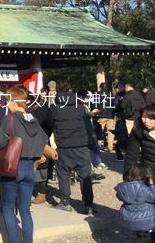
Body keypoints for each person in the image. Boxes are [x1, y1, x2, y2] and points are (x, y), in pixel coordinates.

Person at [0, 85, 48, 243]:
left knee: (8, 209)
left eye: (8, 100)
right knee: (25, 211)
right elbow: (43, 141)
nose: (6, 103)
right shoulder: (34, 121)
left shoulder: (9, 119)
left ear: (14, 101)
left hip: (12, 168)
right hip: (29, 168)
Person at [48, 80, 96, 214]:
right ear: (71, 91)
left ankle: (65, 202)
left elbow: (50, 125)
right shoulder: (80, 106)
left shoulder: (54, 108)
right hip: (81, 145)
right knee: (85, 176)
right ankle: (89, 205)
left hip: (63, 145)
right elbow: (88, 126)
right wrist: (90, 142)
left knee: (63, 175)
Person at [115, 163, 155, 242]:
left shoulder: (123, 187)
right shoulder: (144, 189)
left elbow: (119, 196)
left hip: (129, 219)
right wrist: (152, 186)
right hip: (147, 220)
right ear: (146, 175)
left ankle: (141, 235)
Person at [125, 104, 155, 175]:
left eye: (150, 118)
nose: (146, 121)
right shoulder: (138, 128)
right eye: (144, 117)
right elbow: (131, 155)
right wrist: (128, 177)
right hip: (148, 172)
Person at [93, 83, 116, 153]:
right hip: (110, 115)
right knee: (111, 132)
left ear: (100, 87)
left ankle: (98, 146)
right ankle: (110, 147)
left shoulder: (97, 95)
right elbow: (114, 105)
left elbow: (95, 105)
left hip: (101, 115)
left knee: (100, 131)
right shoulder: (111, 95)